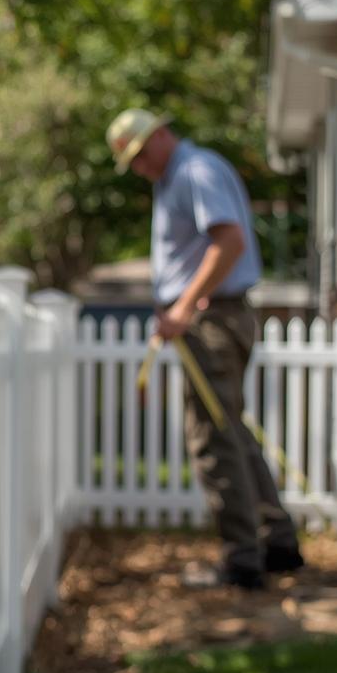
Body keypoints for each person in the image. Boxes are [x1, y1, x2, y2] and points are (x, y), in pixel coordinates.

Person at [107, 108, 305, 590]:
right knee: (231, 429)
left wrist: (184, 307)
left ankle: (242, 558)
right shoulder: (181, 175)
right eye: (130, 161)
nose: (139, 167)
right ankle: (276, 542)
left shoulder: (195, 171)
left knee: (213, 439)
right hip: (209, 316)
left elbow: (229, 242)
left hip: (212, 319)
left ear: (159, 135)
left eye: (139, 155)